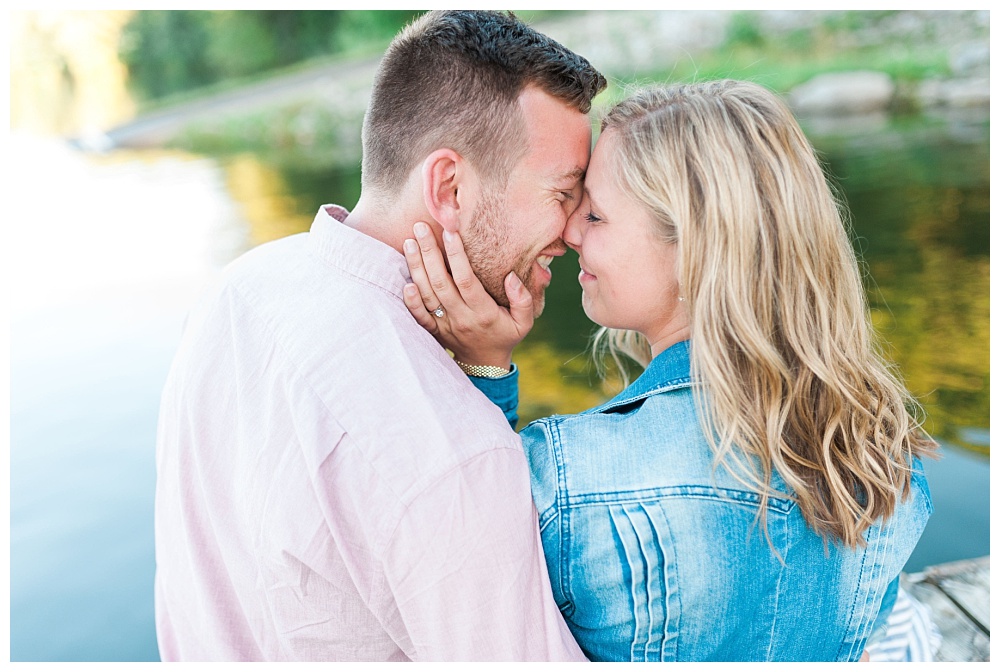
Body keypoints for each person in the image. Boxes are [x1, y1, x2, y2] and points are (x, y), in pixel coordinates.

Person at [402, 79, 937, 662]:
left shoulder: (569, 476)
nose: (571, 232)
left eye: (597, 215)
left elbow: (472, 596)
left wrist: (482, 370)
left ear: (694, 249)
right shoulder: (885, 457)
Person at [153, 10, 606, 661]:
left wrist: (482, 369)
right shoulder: (456, 453)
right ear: (449, 185)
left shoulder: (238, 291)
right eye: (563, 193)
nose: (572, 231)